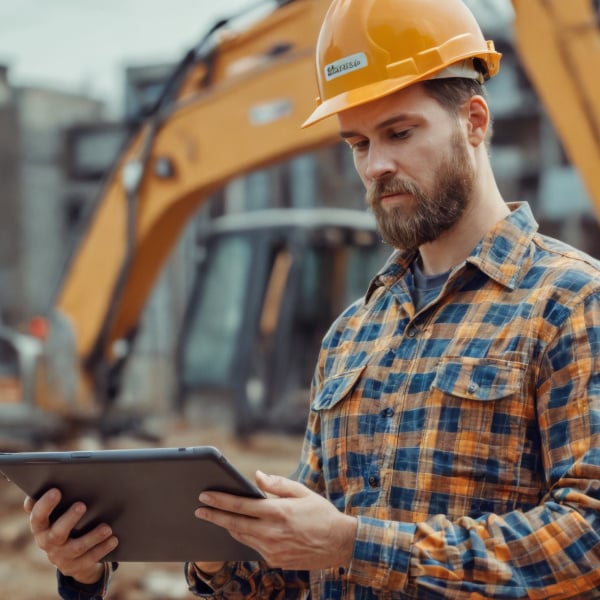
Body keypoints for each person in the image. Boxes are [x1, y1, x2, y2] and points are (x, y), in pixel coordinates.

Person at [25, 0, 600, 598]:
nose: (377, 165)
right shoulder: (353, 335)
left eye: (400, 132)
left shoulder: (571, 302)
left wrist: (354, 543)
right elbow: (297, 571)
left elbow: (589, 536)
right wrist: (139, 559)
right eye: (357, 143)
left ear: (474, 121)